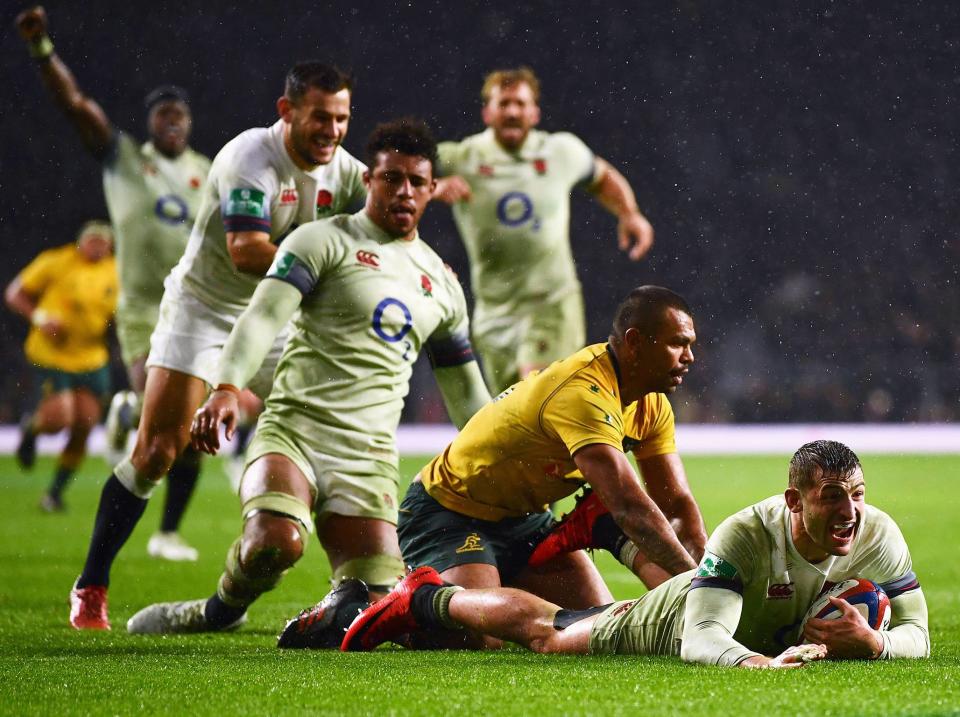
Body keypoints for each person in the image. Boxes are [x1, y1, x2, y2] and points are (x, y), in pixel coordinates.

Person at [124, 118, 491, 638]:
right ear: (369, 180)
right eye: (391, 178)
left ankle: (327, 614)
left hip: (368, 457)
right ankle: (216, 612)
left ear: (432, 190)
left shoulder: (444, 286)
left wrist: (506, 452)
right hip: (294, 431)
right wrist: (227, 387)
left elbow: (466, 394)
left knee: (382, 614)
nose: (403, 191)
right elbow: (261, 318)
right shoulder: (319, 241)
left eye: (416, 181)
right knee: (274, 542)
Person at [66, 60, 367, 630]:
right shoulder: (248, 158)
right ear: (287, 111)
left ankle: (351, 586)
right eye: (320, 118)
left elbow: (382, 231)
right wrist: (334, 274)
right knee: (158, 451)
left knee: (335, 433)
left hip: (274, 311)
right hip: (202, 310)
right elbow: (247, 250)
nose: (332, 131)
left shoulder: (346, 172)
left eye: (342, 119)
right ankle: (92, 584)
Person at [326, 286, 704, 650]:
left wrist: (710, 574)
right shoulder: (583, 393)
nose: (689, 357)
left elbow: (676, 506)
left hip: (525, 521)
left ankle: (590, 529)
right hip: (449, 513)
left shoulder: (652, 407)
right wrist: (701, 589)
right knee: (477, 638)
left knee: (594, 625)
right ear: (635, 342)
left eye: (690, 345)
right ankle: (355, 610)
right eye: (678, 344)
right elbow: (630, 508)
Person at [343, 440, 930, 666]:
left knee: (577, 616)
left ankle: (604, 530)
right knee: (550, 634)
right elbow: (701, 641)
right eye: (832, 498)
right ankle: (427, 600)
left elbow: (918, 637)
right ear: (794, 501)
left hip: (728, 611)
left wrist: (875, 643)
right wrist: (760, 665)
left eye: (856, 495)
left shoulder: (877, 533)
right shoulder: (749, 533)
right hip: (675, 617)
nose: (850, 512)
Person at [15, 5, 213, 561]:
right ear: (151, 122)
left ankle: (168, 530)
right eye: (163, 115)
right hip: (148, 312)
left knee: (190, 435)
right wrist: (42, 51)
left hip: (203, 310)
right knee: (164, 415)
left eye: (180, 115)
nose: (172, 121)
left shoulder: (208, 169)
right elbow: (76, 106)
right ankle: (130, 408)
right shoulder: (125, 158)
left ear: (190, 123)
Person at [434, 67, 656, 393]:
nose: (512, 111)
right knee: (512, 420)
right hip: (494, 314)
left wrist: (629, 213)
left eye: (520, 104)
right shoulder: (461, 157)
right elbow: (396, 173)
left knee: (537, 393)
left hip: (550, 303)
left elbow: (602, 175)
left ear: (535, 112)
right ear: (487, 111)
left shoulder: (560, 151)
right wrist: (434, 186)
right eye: (504, 103)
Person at [5, 221, 117, 512]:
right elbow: (15, 293)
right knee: (60, 419)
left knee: (85, 425)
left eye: (103, 242)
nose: (97, 246)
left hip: (92, 358)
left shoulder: (115, 271)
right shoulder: (56, 261)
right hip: (51, 355)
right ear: (81, 242)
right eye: (92, 240)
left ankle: (54, 495)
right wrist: (41, 318)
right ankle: (32, 432)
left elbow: (120, 311)